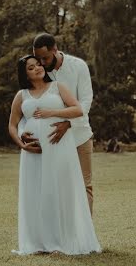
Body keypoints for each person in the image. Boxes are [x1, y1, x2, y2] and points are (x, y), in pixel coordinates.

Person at [9, 55, 101, 255]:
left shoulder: (58, 87)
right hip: (33, 152)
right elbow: (12, 125)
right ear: (25, 74)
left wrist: (51, 113)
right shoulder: (21, 95)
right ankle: (38, 242)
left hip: (59, 147)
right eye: (31, 68)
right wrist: (21, 145)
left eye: (38, 65)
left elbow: (78, 109)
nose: (37, 68)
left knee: (59, 191)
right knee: (36, 193)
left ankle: (62, 240)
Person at [27, 33, 95, 214]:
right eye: (38, 58)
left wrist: (68, 123)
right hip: (54, 139)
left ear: (55, 50)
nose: (41, 63)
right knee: (59, 189)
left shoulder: (78, 66)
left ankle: (85, 239)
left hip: (80, 135)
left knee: (84, 186)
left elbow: (86, 101)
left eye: (45, 57)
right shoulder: (40, 73)